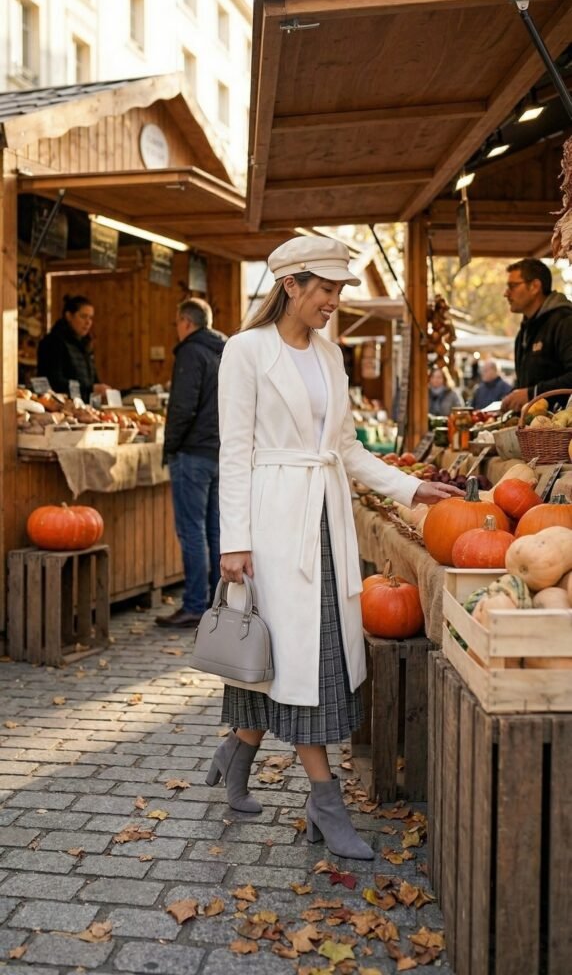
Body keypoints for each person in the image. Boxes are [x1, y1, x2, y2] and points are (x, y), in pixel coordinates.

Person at [205, 235, 462, 860]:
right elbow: (234, 450)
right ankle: (325, 802)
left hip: (324, 519)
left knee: (294, 659)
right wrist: (233, 541)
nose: (334, 300)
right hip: (270, 523)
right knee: (296, 660)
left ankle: (237, 757)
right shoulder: (245, 351)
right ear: (290, 285)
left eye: (340, 289)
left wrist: (411, 489)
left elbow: (344, 450)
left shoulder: (329, 355)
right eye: (326, 288)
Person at [156, 297, 226, 629]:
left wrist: (169, 447)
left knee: (192, 531)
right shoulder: (226, 349)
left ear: (185, 322)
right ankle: (218, 603)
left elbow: (181, 408)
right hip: (220, 453)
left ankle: (196, 604)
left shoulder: (189, 351)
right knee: (215, 530)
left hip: (192, 454)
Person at [501, 258, 572, 413]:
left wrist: (532, 393)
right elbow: (528, 383)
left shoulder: (565, 322)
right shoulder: (524, 332)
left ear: (535, 286)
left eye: (512, 286)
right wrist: (514, 396)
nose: (506, 293)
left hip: (563, 431)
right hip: (534, 430)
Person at [37, 295, 109, 402]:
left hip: (84, 408)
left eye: (90, 318)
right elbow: (54, 381)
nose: (88, 322)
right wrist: (90, 389)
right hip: (60, 406)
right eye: (83, 316)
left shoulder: (85, 345)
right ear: (69, 316)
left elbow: (93, 381)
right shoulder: (53, 342)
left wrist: (99, 392)